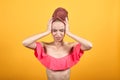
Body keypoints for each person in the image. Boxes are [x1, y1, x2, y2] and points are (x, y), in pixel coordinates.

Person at [22, 7, 92, 80]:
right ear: (51, 30)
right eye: (54, 30)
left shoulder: (71, 46)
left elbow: (89, 45)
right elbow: (25, 43)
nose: (58, 34)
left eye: (61, 30)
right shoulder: (45, 46)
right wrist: (46, 32)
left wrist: (69, 32)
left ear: (65, 30)